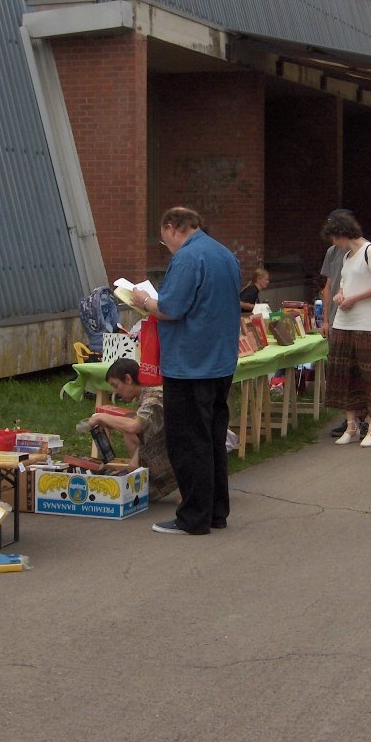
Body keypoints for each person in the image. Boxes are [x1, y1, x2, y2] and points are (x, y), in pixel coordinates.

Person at [129, 207, 240, 536]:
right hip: (220, 361)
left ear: (171, 227)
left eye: (165, 241)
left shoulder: (189, 258)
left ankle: (193, 516)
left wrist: (144, 300)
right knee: (213, 439)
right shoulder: (225, 254)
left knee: (189, 442)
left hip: (191, 364)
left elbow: (170, 308)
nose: (167, 246)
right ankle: (216, 511)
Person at [322, 211, 371, 449]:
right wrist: (340, 295)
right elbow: (343, 284)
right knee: (344, 373)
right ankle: (351, 425)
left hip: (366, 322)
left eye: (334, 237)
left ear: (343, 233)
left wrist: (355, 298)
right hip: (343, 322)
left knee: (370, 375)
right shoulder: (347, 256)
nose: (333, 243)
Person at [87, 357, 177, 501]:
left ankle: (145, 481)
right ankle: (138, 474)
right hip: (171, 443)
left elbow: (135, 426)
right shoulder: (148, 391)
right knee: (128, 429)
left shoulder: (153, 397)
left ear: (128, 379)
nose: (115, 392)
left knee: (130, 429)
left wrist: (101, 417)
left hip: (178, 451)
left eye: (115, 385)